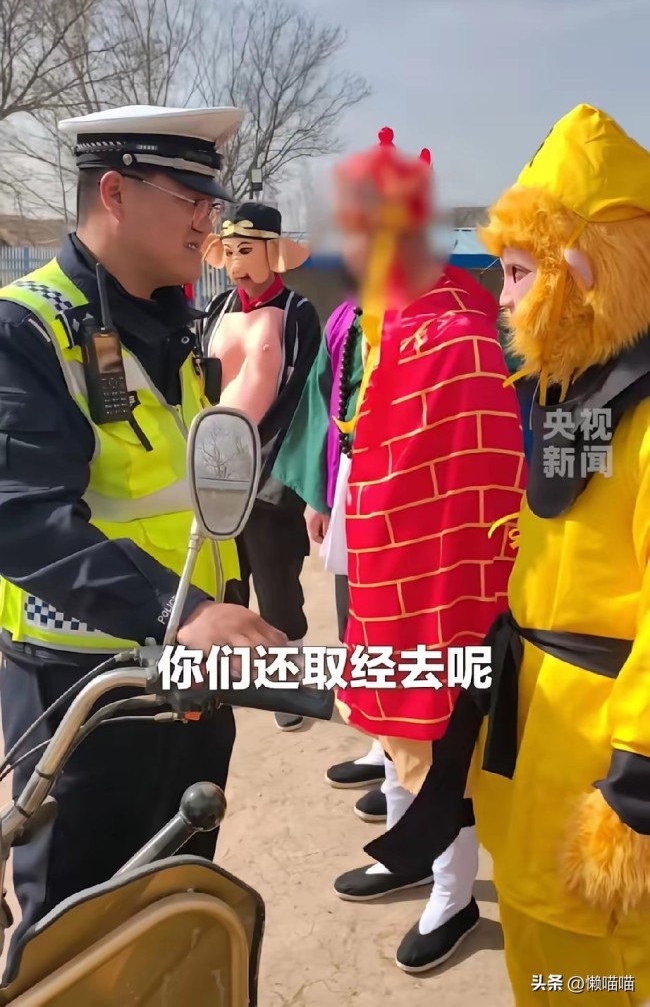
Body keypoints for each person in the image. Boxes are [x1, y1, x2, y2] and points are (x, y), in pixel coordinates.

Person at [0, 104, 287, 975]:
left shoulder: (176, 325)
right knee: (78, 939)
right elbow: (19, 514)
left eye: (213, 199)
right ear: (116, 193)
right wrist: (181, 610)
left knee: (177, 912)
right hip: (83, 697)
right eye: (191, 197)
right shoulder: (25, 327)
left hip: (188, 682)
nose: (211, 220)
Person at [374, 103, 650, 1003]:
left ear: (585, 270)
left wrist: (636, 789)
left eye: (522, 271)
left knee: (594, 982)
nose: (501, 294)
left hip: (600, 787)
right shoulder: (578, 398)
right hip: (538, 759)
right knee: (544, 966)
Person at [330, 128, 526, 973]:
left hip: (445, 573)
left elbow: (485, 469)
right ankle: (409, 854)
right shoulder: (382, 316)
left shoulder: (457, 327)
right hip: (382, 560)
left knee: (443, 738)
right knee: (392, 725)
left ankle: (453, 893)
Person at [200, 203, 321, 730]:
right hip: (216, 462)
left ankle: (284, 680)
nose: (236, 264)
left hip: (272, 464)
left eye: (246, 250)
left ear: (272, 252)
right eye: (228, 251)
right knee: (225, 578)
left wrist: (282, 466)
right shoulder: (216, 308)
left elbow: (306, 394)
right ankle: (227, 679)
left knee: (276, 578)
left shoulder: (298, 312)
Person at [272, 268, 387, 822]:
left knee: (399, 623)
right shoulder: (346, 318)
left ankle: (408, 763)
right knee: (355, 619)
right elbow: (323, 406)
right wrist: (319, 494)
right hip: (350, 477)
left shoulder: (429, 321)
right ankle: (382, 743)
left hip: (404, 488)